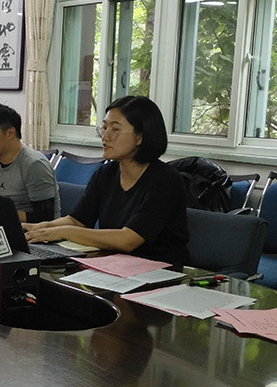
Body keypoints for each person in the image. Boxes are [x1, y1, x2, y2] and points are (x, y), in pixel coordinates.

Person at [23, 96, 189, 265]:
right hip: (114, 262)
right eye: (104, 128)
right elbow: (77, 220)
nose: (105, 136)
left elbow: (128, 240)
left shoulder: (166, 180)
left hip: (161, 268)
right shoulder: (106, 172)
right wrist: (42, 227)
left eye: (115, 129)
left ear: (140, 137)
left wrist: (64, 232)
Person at [0, 102, 60, 222]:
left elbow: (45, 217)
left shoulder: (34, 165)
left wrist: (3, 214)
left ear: (10, 133)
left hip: (33, 230)